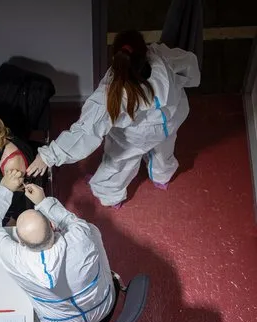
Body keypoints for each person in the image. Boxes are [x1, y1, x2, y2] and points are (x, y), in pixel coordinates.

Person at [26, 30, 201, 208]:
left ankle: (110, 195)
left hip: (138, 135)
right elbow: (189, 64)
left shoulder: (112, 93)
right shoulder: (162, 56)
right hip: (171, 118)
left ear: (115, 57)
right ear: (145, 50)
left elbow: (87, 130)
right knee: (164, 148)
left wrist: (49, 156)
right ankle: (162, 176)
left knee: (119, 161)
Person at [0, 170, 115, 322]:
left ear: (20, 242)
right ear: (52, 225)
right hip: (103, 305)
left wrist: (4, 189)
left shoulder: (15, 259)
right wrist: (43, 202)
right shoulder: (81, 235)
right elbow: (70, 221)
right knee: (94, 232)